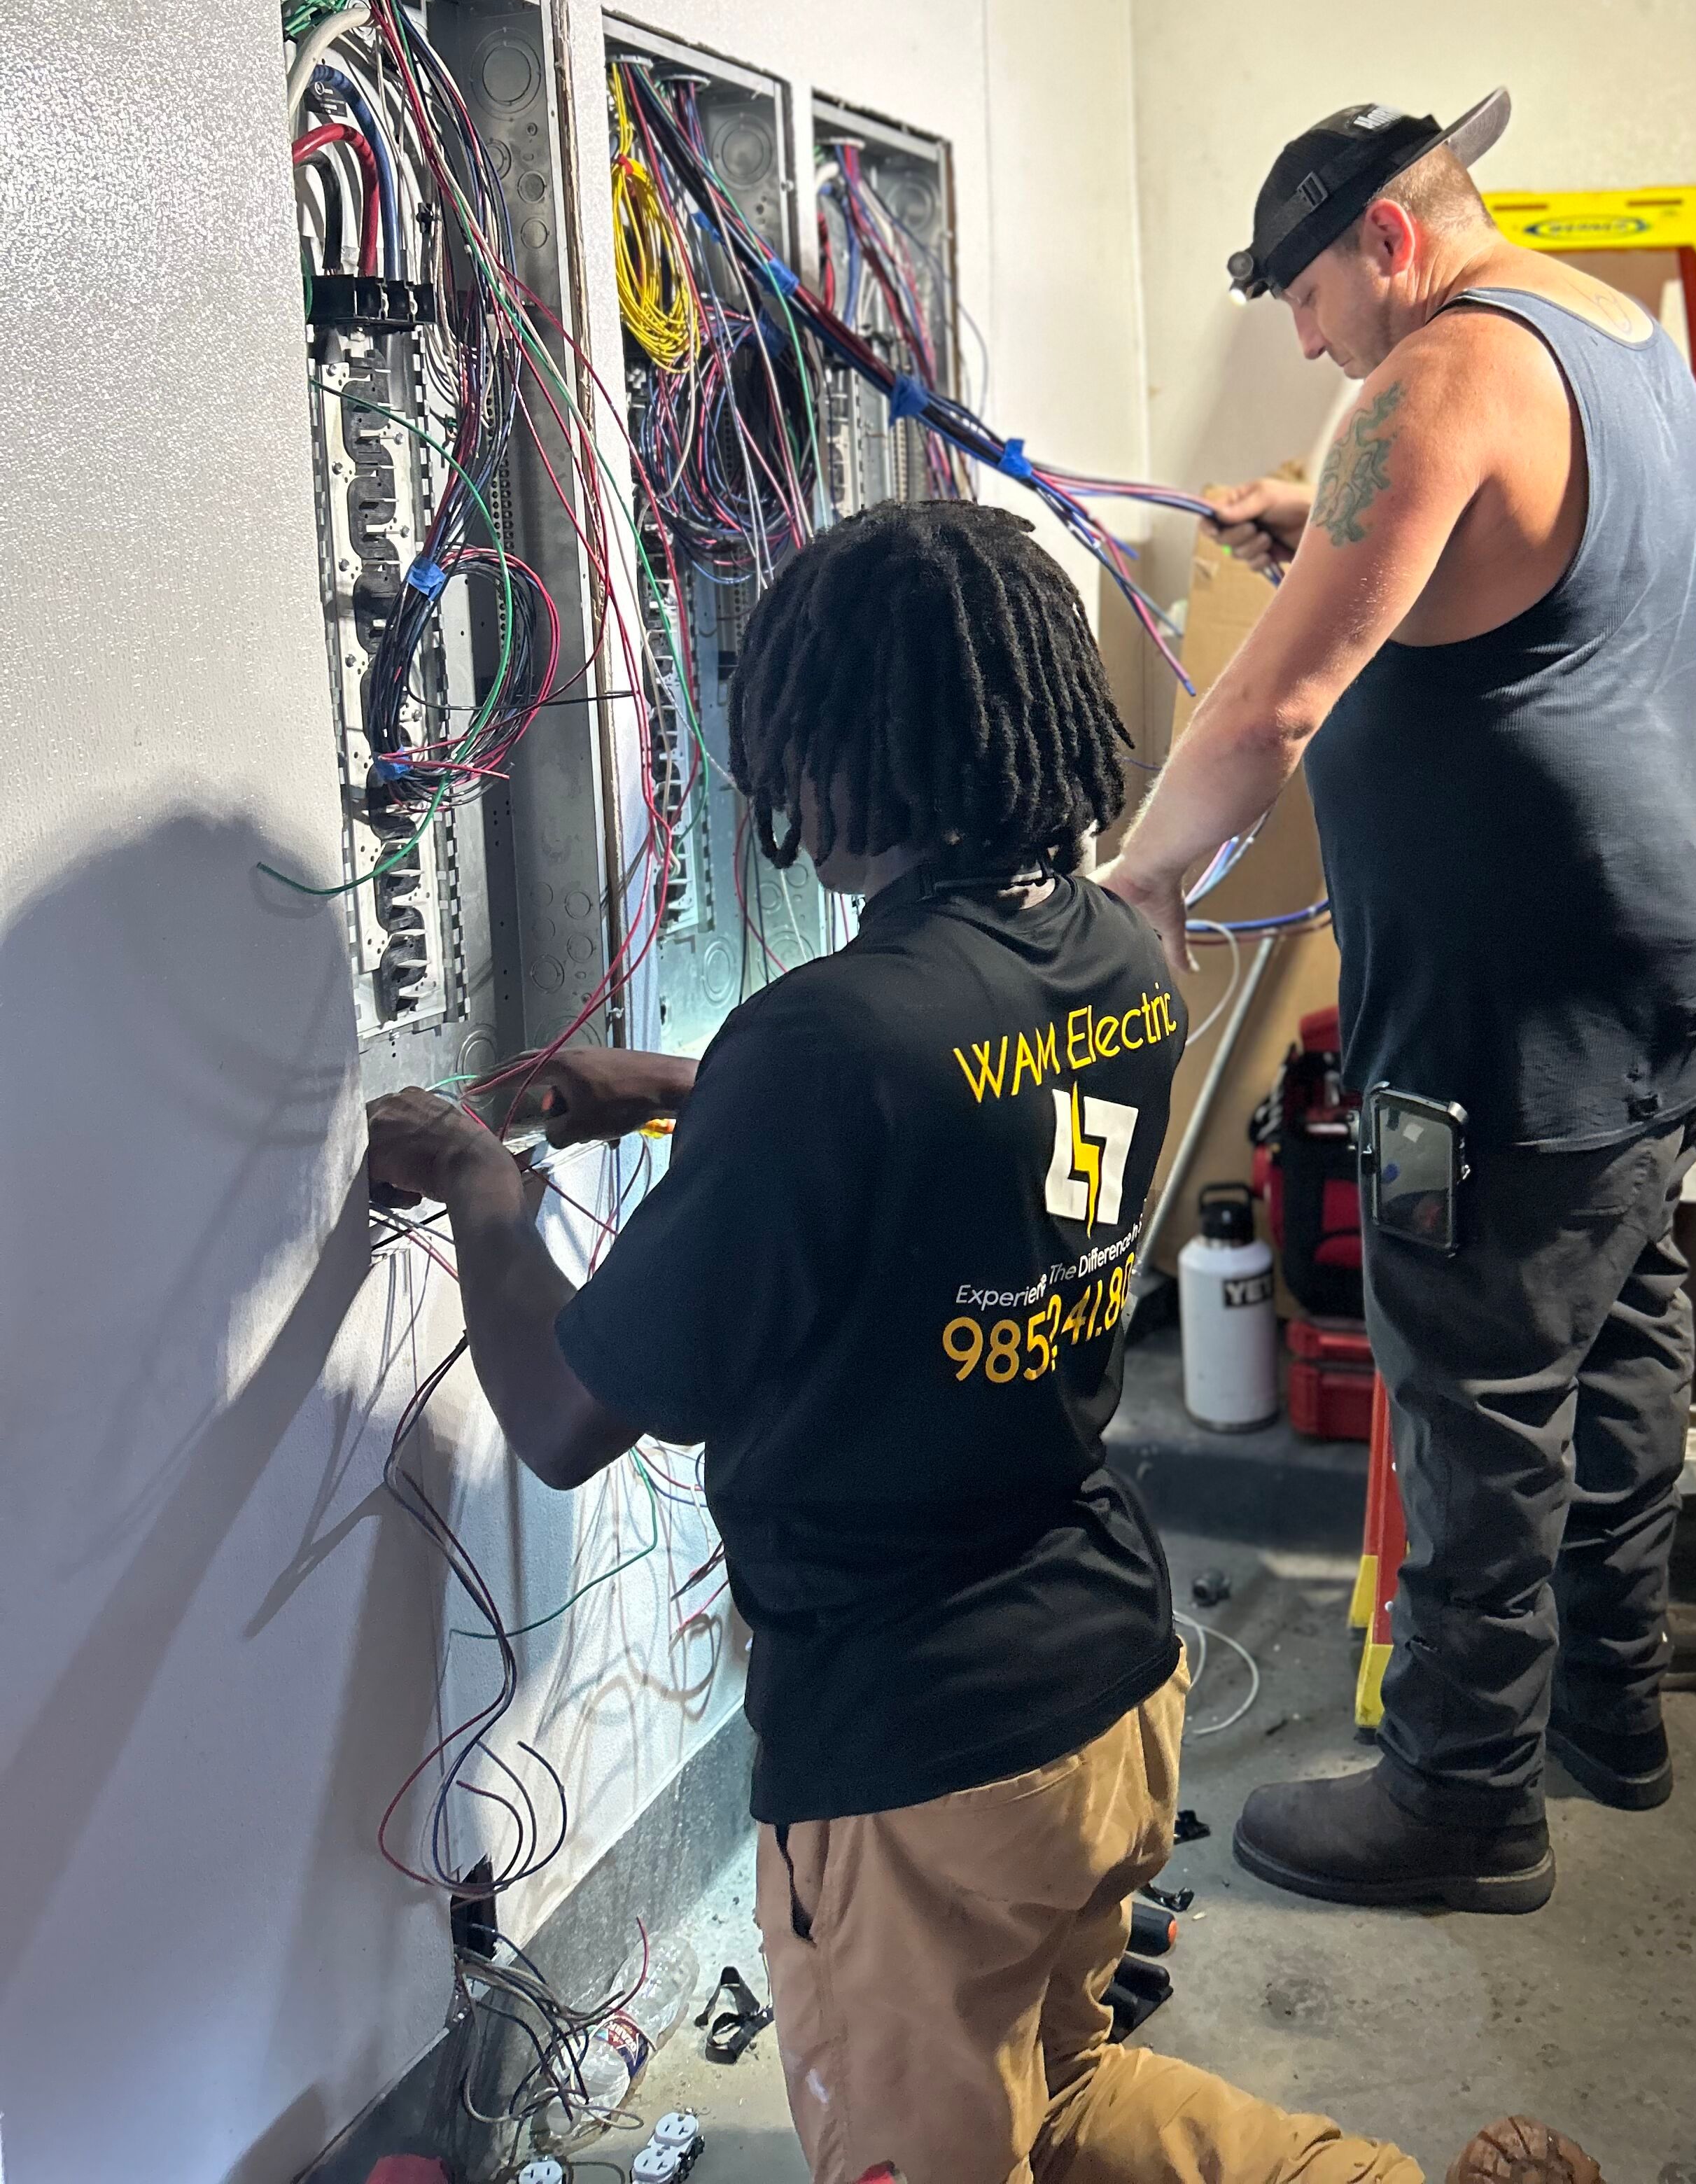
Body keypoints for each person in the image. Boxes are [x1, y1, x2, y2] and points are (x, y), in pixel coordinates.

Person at [365, 501, 1588, 2184]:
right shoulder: (1128, 955)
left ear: (841, 750)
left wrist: (479, 1183)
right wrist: (677, 1089)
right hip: (1103, 1689)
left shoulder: (822, 1048)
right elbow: (960, 1101)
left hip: (916, 1765)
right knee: (1060, 2096)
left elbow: (569, 1413)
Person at [1103, 95, 1696, 1915]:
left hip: (1507, 1002)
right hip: (1668, 951)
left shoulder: (1439, 376)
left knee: (1475, 1375)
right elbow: (1517, 554)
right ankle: (1608, 1709)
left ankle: (1465, 1799)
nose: (1312, 344)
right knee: (1620, 1313)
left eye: (1309, 299)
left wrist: (1139, 882)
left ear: (1388, 240)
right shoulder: (1609, 336)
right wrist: (1321, 520)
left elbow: (1270, 707)